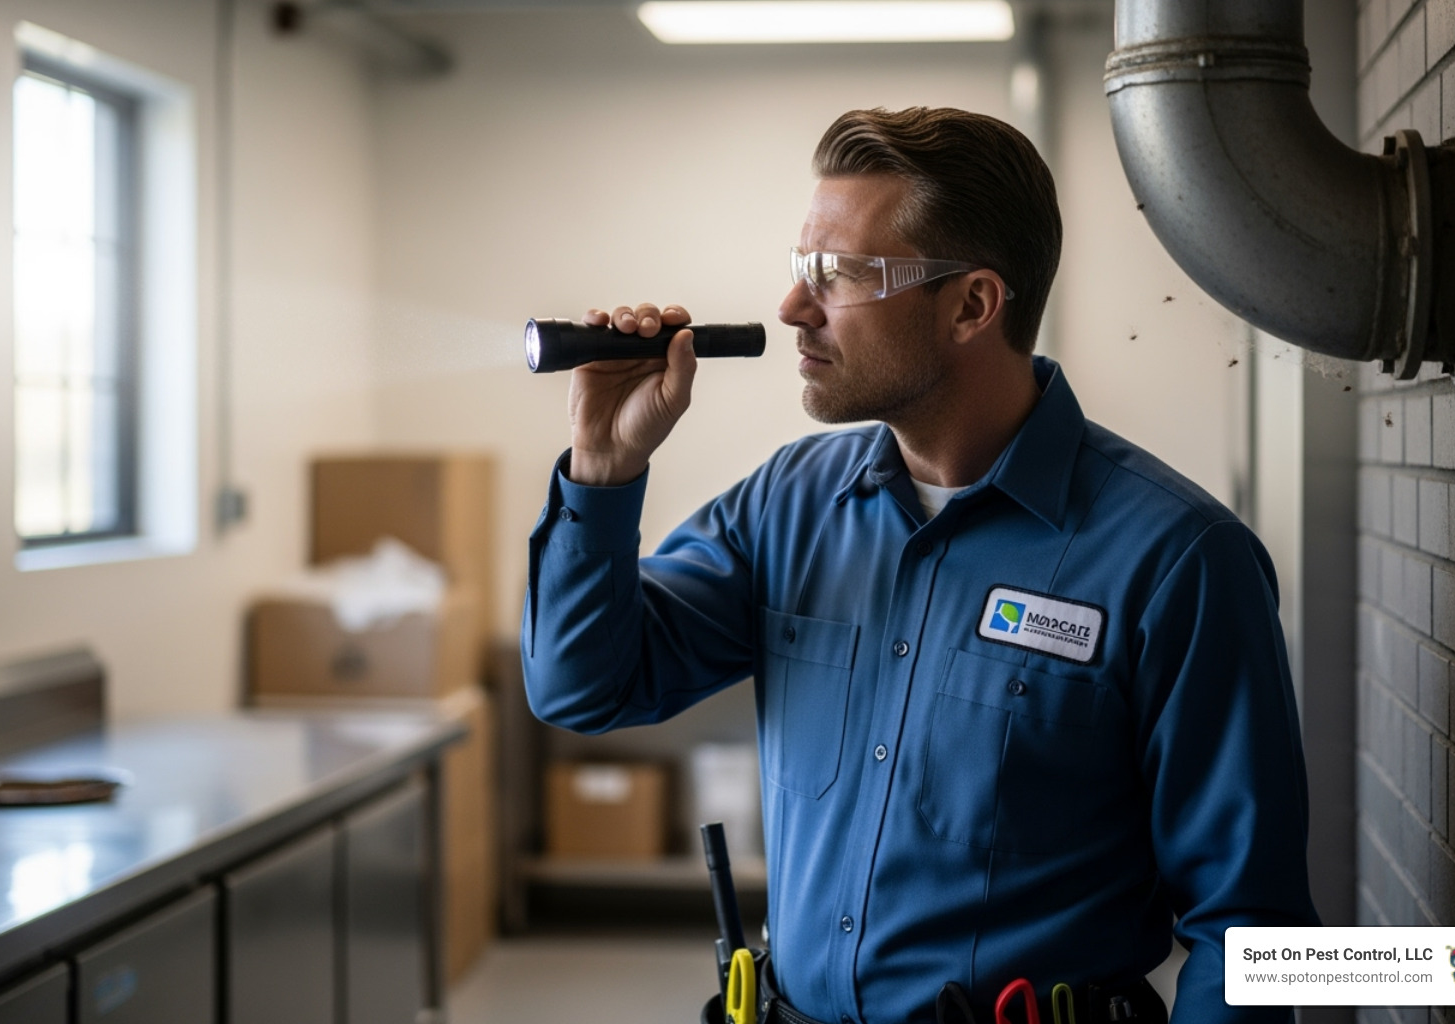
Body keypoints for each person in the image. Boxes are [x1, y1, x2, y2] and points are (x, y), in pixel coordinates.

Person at [522, 106, 1318, 1024]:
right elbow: (583, 688)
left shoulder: (1178, 561)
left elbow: (1254, 929)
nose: (793, 308)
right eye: (801, 267)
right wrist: (603, 467)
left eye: (840, 275)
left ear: (972, 305)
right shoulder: (788, 505)